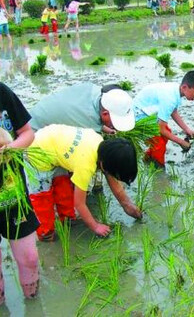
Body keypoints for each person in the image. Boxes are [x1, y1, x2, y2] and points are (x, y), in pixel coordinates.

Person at [26, 125, 142, 241]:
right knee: (43, 199)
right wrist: (95, 226)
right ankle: (46, 235)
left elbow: (113, 181)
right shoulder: (86, 166)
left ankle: (67, 220)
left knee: (63, 188)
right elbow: (79, 203)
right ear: (103, 165)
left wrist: (127, 205)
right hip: (37, 152)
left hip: (53, 145)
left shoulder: (103, 147)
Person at [0, 83, 40, 304]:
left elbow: (27, 133)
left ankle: (34, 303)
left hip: (14, 195)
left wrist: (10, 149)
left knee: (30, 259)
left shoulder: (2, 93)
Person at [133, 70, 194, 167]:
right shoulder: (170, 98)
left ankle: (148, 158)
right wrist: (181, 142)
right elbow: (161, 129)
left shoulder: (176, 89)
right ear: (184, 87)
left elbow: (173, 111)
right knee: (159, 143)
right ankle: (158, 169)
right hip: (139, 117)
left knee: (166, 133)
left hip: (148, 112)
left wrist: (187, 129)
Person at [29, 83, 135, 134]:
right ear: (105, 114)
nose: (114, 127)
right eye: (113, 124)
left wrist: (106, 128)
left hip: (38, 110)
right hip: (34, 130)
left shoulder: (97, 92)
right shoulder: (88, 123)